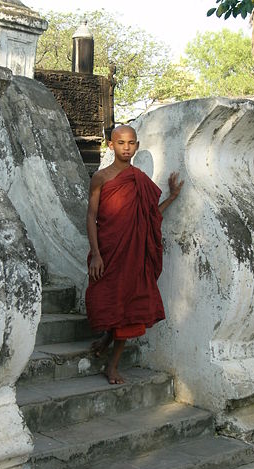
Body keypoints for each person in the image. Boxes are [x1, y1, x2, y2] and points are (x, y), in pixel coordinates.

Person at [85, 125, 183, 385]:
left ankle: (112, 367)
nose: (126, 147)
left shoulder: (139, 179)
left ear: (137, 146)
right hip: (108, 250)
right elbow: (91, 216)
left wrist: (172, 197)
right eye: (120, 143)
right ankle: (106, 337)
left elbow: (151, 216)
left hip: (134, 256)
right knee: (107, 298)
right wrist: (96, 254)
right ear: (111, 145)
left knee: (130, 307)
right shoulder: (101, 178)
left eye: (131, 143)